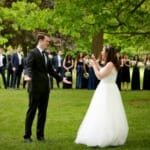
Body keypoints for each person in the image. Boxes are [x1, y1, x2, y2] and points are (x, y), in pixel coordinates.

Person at [75, 45, 128, 148]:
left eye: (103, 50)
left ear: (107, 53)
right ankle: (109, 134)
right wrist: (95, 62)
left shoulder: (110, 64)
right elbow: (103, 70)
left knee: (104, 111)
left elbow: (99, 76)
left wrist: (94, 66)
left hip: (106, 89)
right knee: (107, 112)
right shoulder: (111, 64)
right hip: (109, 88)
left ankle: (104, 136)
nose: (101, 52)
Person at [23, 32, 71, 143]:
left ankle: (40, 135)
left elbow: (50, 70)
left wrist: (61, 79)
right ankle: (27, 136)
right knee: (32, 111)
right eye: (47, 41)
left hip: (45, 88)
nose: (48, 43)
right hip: (35, 87)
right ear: (40, 40)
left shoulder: (45, 54)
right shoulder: (32, 52)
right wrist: (26, 75)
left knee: (43, 112)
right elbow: (28, 66)